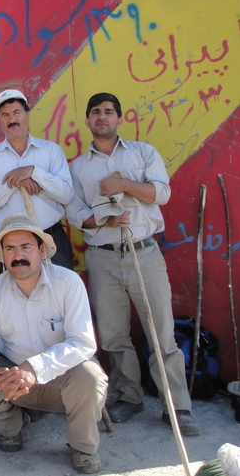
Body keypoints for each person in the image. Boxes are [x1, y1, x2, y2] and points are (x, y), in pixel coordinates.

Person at [66, 92, 199, 436]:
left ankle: (176, 405)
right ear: (88, 120)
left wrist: (123, 185)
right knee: (112, 335)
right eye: (95, 112)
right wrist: (104, 221)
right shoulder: (78, 167)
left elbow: (162, 193)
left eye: (109, 111)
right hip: (103, 257)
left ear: (119, 118)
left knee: (161, 333)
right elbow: (75, 212)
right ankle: (129, 396)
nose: (102, 117)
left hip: (144, 252)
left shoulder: (143, 153)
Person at [0, 215, 107, 474]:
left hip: (62, 377)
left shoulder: (68, 282)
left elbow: (83, 343)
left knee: (91, 377)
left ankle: (82, 446)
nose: (18, 255)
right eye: (10, 249)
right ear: (2, 255)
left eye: (26, 247)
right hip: (14, 376)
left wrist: (34, 368)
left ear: (41, 251)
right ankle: (13, 427)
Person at [0, 89, 75, 269]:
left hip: (51, 240)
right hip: (11, 245)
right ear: (0, 121)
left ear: (27, 114)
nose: (11, 119)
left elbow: (66, 195)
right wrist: (14, 182)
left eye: (16, 112)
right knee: (16, 296)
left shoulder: (51, 151)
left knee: (60, 294)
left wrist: (33, 171)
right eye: (5, 115)